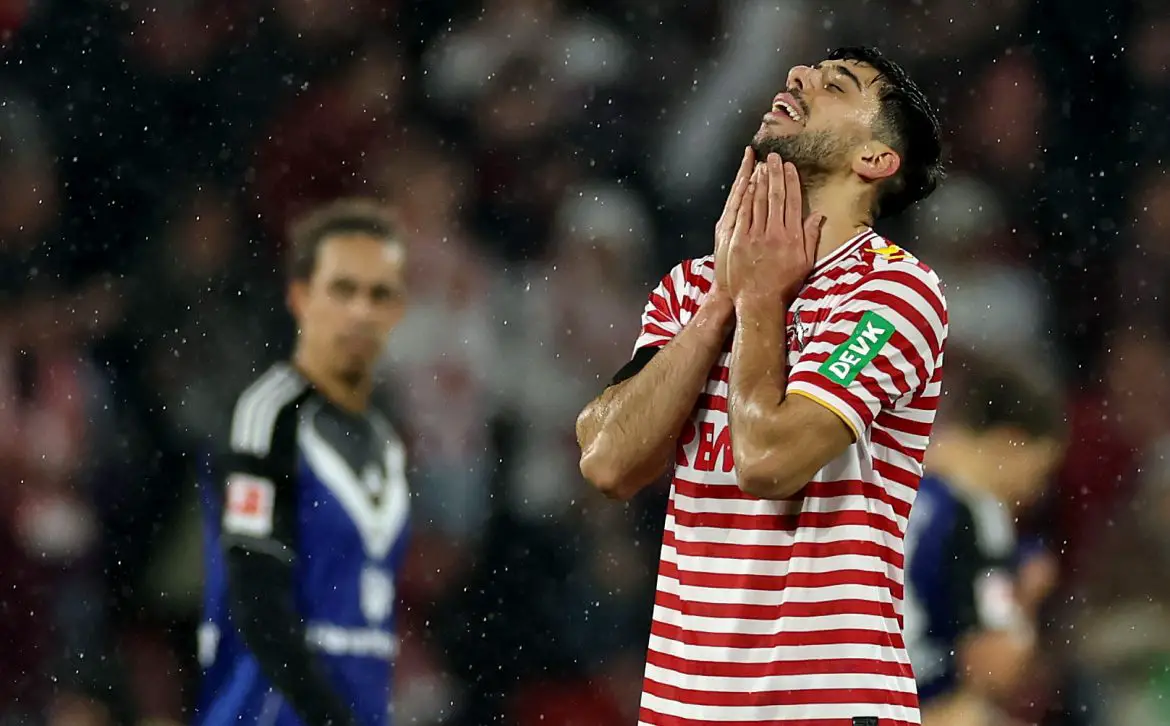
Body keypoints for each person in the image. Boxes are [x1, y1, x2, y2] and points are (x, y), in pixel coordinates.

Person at [576, 46, 947, 725]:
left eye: (836, 84)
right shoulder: (690, 289)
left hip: (827, 706)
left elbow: (769, 461)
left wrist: (758, 303)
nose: (799, 78)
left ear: (874, 160)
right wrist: (724, 296)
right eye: (802, 72)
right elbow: (607, 460)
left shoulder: (893, 290)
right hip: (680, 705)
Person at [194, 199, 411, 726]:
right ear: (300, 297)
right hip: (266, 712)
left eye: (378, 294)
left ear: (398, 309)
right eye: (343, 290)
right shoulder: (268, 418)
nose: (361, 311)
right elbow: (256, 603)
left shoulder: (388, 442)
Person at [904, 360, 1065, 726]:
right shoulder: (977, 510)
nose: (1035, 491)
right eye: (1039, 471)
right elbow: (992, 667)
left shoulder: (885, 477)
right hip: (910, 703)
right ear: (1010, 443)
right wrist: (1025, 596)